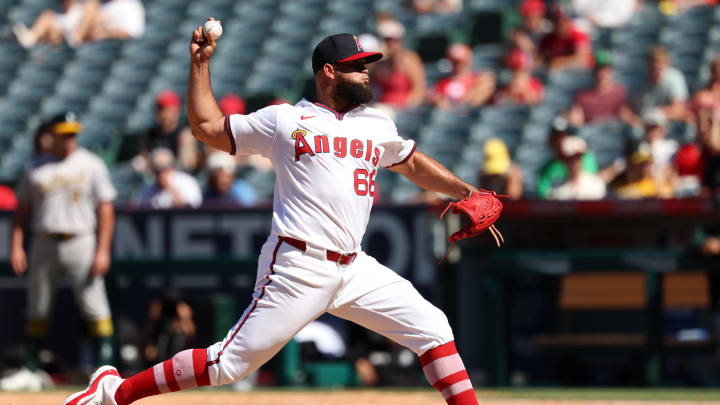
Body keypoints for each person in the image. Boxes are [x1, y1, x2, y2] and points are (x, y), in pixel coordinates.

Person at [64, 28, 485, 405]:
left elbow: (411, 163)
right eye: (357, 67)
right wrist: (200, 65)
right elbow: (207, 126)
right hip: (299, 264)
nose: (367, 73)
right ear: (328, 72)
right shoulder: (286, 119)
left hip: (355, 266)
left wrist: (469, 192)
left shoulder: (375, 124)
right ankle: (115, 392)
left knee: (432, 327)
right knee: (227, 365)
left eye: (368, 66)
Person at [6, 112, 116, 390]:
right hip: (44, 239)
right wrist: (17, 245)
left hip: (81, 239)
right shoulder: (35, 168)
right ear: (51, 135)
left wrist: (103, 249)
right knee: (37, 305)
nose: (70, 139)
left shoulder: (91, 164)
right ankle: (31, 369)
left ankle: (107, 370)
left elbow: (106, 208)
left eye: (73, 134)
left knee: (95, 304)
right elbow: (21, 213)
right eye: (64, 133)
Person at [13, 0, 144, 48]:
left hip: (98, 35)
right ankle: (30, 39)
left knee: (91, 4)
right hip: (79, 30)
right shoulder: (104, 4)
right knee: (48, 17)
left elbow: (133, 32)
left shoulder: (131, 5)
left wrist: (105, 33)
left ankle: (74, 37)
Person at [536, 117, 599, 199]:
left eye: (564, 136)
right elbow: (544, 195)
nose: (560, 140)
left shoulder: (586, 158)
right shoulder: (547, 168)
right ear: (551, 139)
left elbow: (592, 185)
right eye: (557, 137)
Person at [371, 19, 426, 110]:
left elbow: (419, 89)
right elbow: (372, 84)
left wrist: (409, 107)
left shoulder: (409, 59)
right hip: (382, 107)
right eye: (385, 40)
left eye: (391, 40)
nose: (389, 43)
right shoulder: (379, 63)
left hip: (403, 109)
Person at [568, 54, 637, 126]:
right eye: (598, 70)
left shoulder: (621, 94)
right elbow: (576, 117)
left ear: (611, 72)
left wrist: (629, 118)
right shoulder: (582, 96)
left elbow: (627, 115)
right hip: (590, 132)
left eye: (605, 70)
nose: (602, 74)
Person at [428, 43, 496, 110]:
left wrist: (469, 98)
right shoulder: (443, 83)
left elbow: (483, 95)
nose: (459, 66)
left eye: (462, 63)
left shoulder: (481, 79)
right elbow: (436, 100)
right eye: (455, 63)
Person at [136, 148, 202, 209]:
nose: (160, 173)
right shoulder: (147, 188)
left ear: (172, 167)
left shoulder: (187, 182)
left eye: (164, 168)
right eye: (156, 169)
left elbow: (190, 210)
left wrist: (169, 188)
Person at [635, 46, 688, 121]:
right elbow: (629, 108)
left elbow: (679, 109)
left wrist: (656, 113)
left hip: (670, 124)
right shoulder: (639, 80)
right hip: (644, 125)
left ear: (667, 63)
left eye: (660, 61)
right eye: (653, 61)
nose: (656, 65)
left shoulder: (674, 78)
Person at [538, 6, 594, 71]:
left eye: (564, 20)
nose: (560, 24)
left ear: (569, 21)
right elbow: (540, 58)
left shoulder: (579, 35)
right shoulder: (548, 39)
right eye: (557, 21)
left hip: (581, 75)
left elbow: (582, 60)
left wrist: (559, 62)